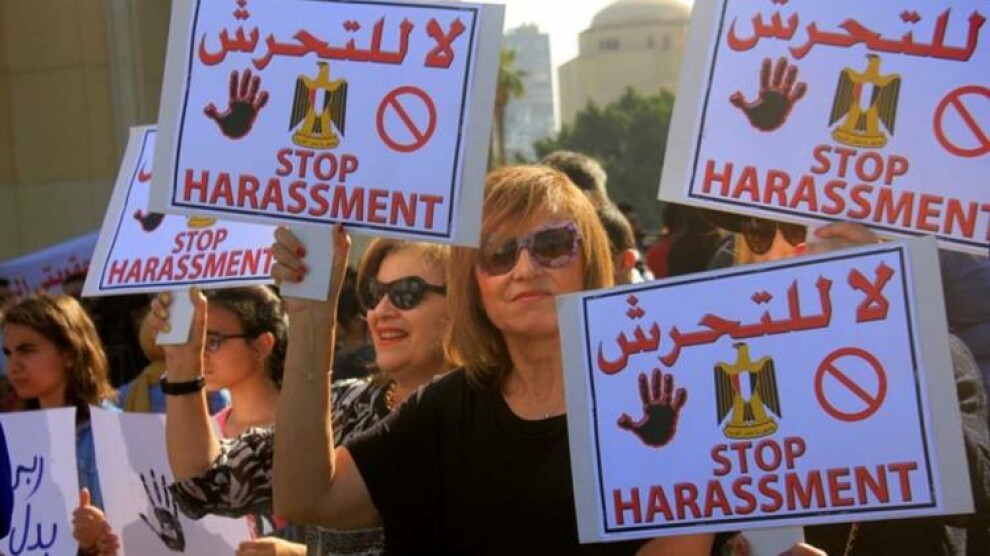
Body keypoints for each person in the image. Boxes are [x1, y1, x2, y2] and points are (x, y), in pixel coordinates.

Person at [270, 165, 712, 553]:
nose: (525, 269)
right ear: (472, 282)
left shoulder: (661, 406)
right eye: (498, 253)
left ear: (591, 261)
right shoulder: (443, 409)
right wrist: (312, 316)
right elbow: (308, 496)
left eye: (553, 245)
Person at [157, 239, 454, 555]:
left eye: (406, 293)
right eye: (373, 294)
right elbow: (210, 481)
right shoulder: (345, 405)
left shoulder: (480, 415)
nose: (381, 311)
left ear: (461, 304)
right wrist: (182, 364)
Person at [0, 294, 117, 554]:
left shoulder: (112, 431)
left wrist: (102, 535)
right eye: (8, 353)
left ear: (69, 353)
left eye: (26, 350)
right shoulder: (11, 437)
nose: (13, 366)